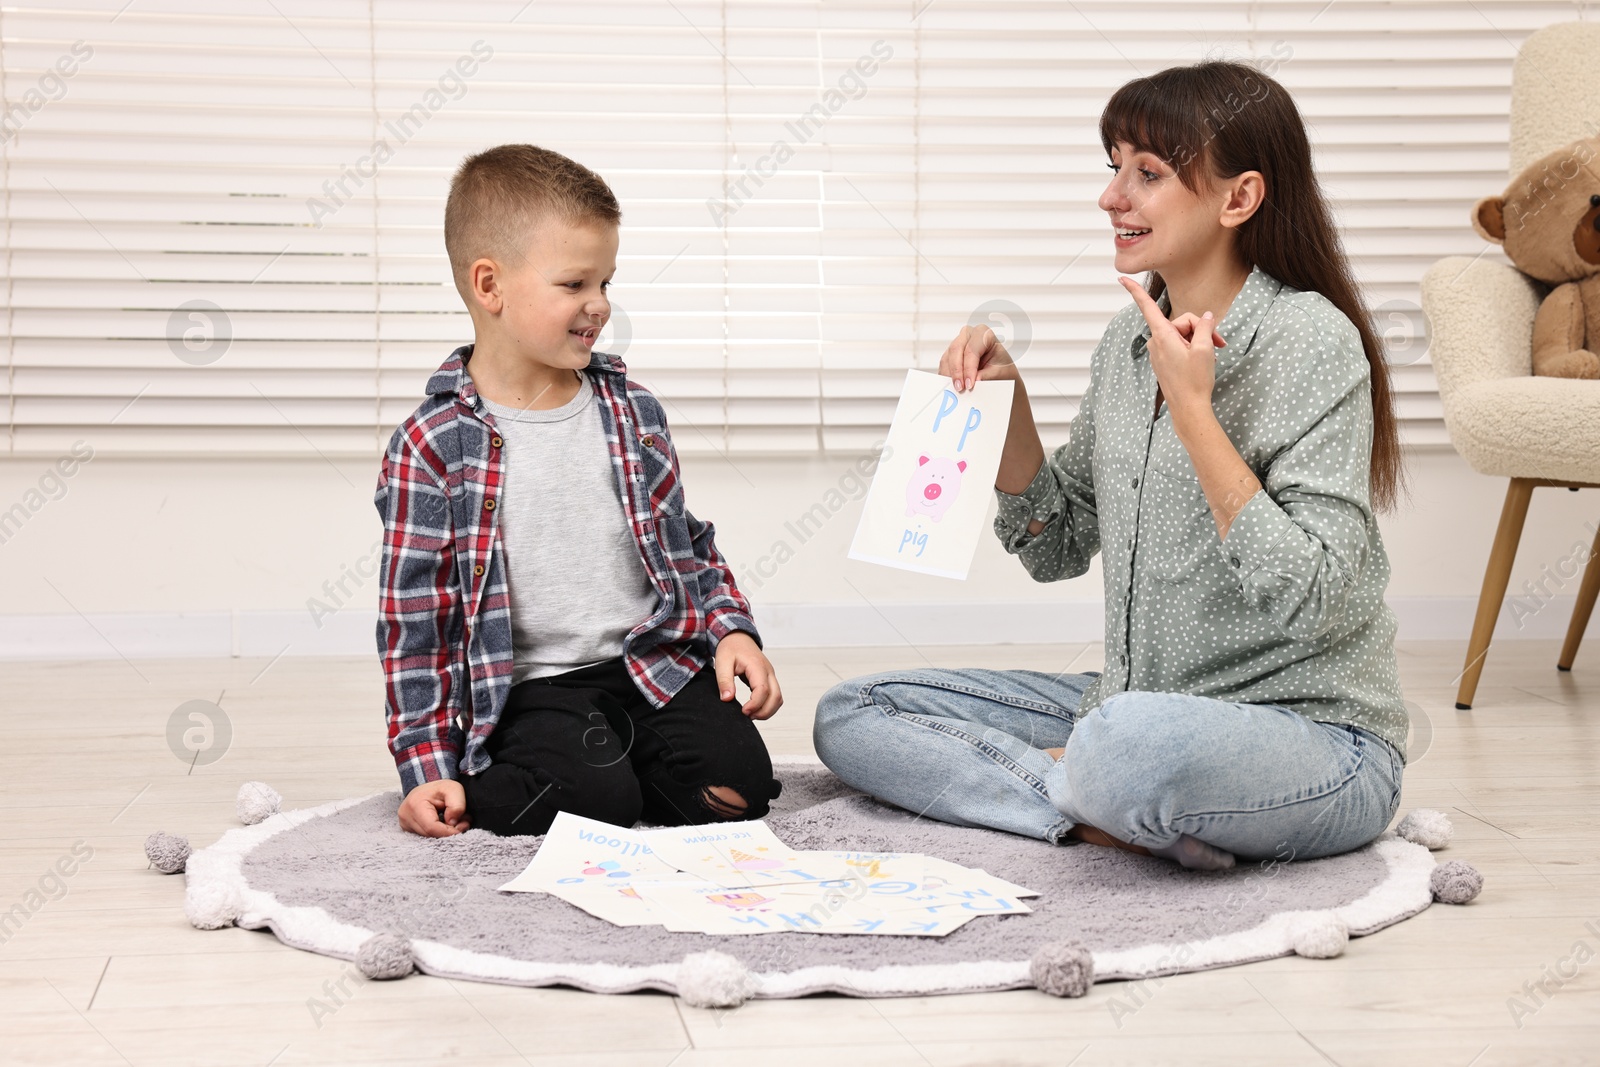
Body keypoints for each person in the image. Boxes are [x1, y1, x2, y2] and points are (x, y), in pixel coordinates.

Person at [813, 61, 1409, 869]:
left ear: (1239, 198)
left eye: (1148, 173)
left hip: (1312, 739)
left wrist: (1194, 410)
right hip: (1131, 705)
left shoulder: (1311, 340)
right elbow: (1056, 546)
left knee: (1125, 745)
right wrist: (1009, 414)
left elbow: (1314, 599)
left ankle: (1095, 788)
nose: (1111, 196)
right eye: (1114, 168)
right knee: (855, 711)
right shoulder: (1125, 345)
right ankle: (1095, 810)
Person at [375, 144, 783, 839]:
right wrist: (426, 764)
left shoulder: (632, 412)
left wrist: (730, 628)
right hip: (532, 688)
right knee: (597, 802)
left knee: (738, 786)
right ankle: (541, 771)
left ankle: (619, 770)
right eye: (574, 285)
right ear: (489, 285)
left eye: (606, 281)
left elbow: (686, 541)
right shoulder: (433, 445)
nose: (599, 305)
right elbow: (417, 631)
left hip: (647, 664)